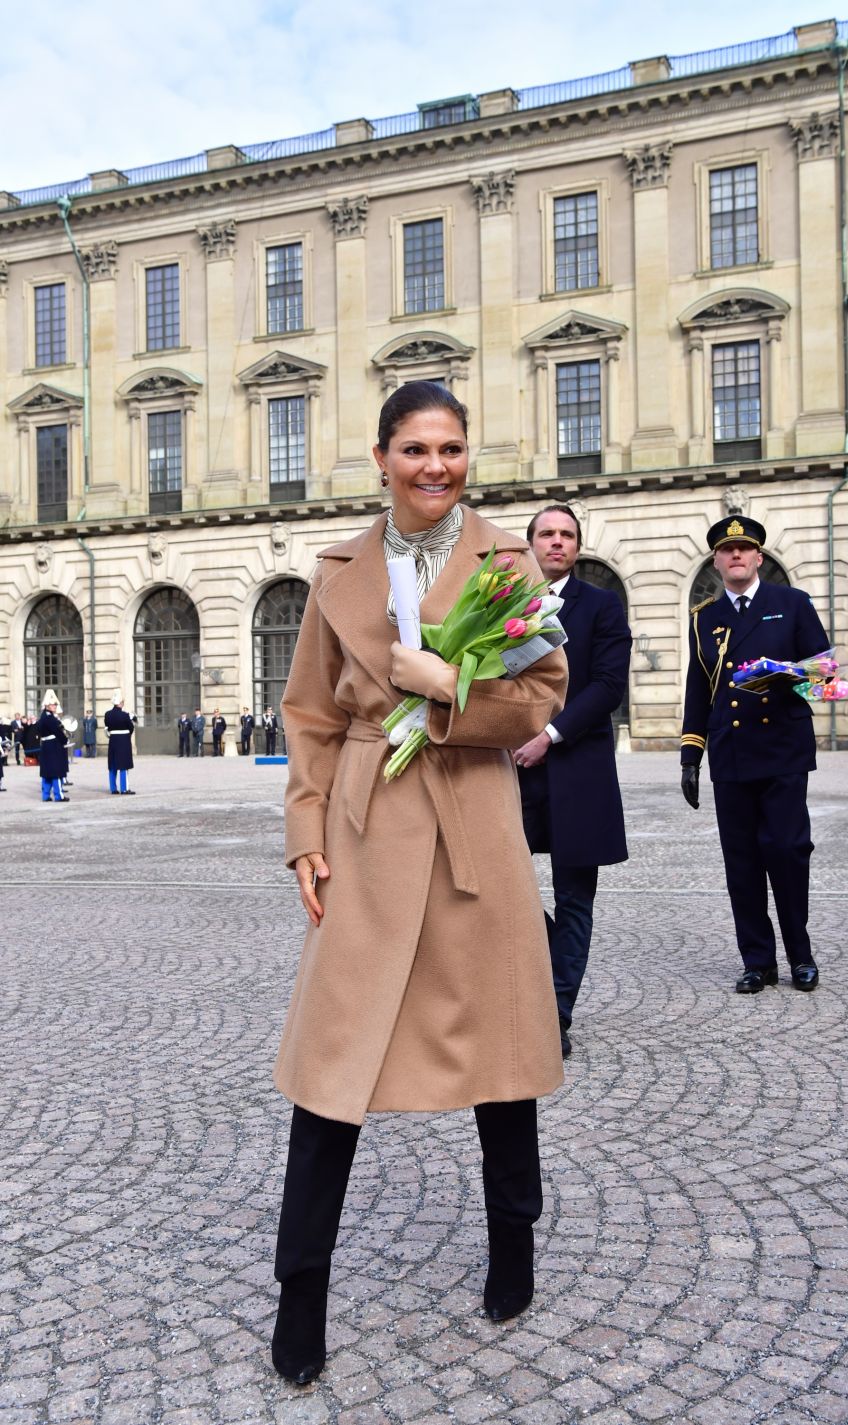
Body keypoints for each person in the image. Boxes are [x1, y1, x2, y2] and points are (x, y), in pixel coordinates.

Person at [270, 380, 568, 1385]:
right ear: (381, 457)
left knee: (503, 1053)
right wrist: (303, 829)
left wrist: (450, 690)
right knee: (333, 1062)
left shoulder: (508, 559)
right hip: (365, 827)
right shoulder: (337, 571)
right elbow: (308, 713)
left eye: (450, 449)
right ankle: (299, 1296)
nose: (434, 467)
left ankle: (512, 1249)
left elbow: (538, 697)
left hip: (473, 825)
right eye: (414, 450)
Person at [680, 516, 829, 994]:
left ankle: (800, 956)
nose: (736, 556)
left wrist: (789, 675)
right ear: (717, 561)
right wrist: (690, 754)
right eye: (727, 551)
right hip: (732, 754)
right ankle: (757, 961)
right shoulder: (704, 616)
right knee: (741, 861)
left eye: (744, 549)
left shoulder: (792, 604)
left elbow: (826, 680)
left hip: (782, 750)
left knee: (787, 853)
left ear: (759, 557)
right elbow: (697, 688)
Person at [513, 505, 632, 1058]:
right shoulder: (504, 603)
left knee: (576, 903)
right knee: (499, 892)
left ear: (577, 547)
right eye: (546, 534)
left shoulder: (603, 606)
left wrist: (551, 735)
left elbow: (608, 686)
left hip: (576, 770)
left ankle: (554, 1017)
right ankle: (532, 987)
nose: (556, 542)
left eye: (566, 535)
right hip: (512, 771)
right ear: (530, 543)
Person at [36, 691, 69, 802]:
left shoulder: (43, 717)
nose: (55, 706)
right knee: (56, 772)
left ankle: (45, 795)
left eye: (55, 704)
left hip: (46, 746)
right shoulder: (50, 718)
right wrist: (65, 740)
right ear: (47, 705)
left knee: (47, 772)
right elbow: (58, 732)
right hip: (53, 746)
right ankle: (59, 796)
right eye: (53, 704)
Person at [104, 692, 137, 795]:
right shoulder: (125, 715)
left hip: (113, 740)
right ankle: (124, 789)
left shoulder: (107, 714)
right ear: (120, 703)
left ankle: (113, 789)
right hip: (123, 741)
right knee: (123, 765)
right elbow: (131, 728)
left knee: (113, 765)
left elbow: (107, 726)